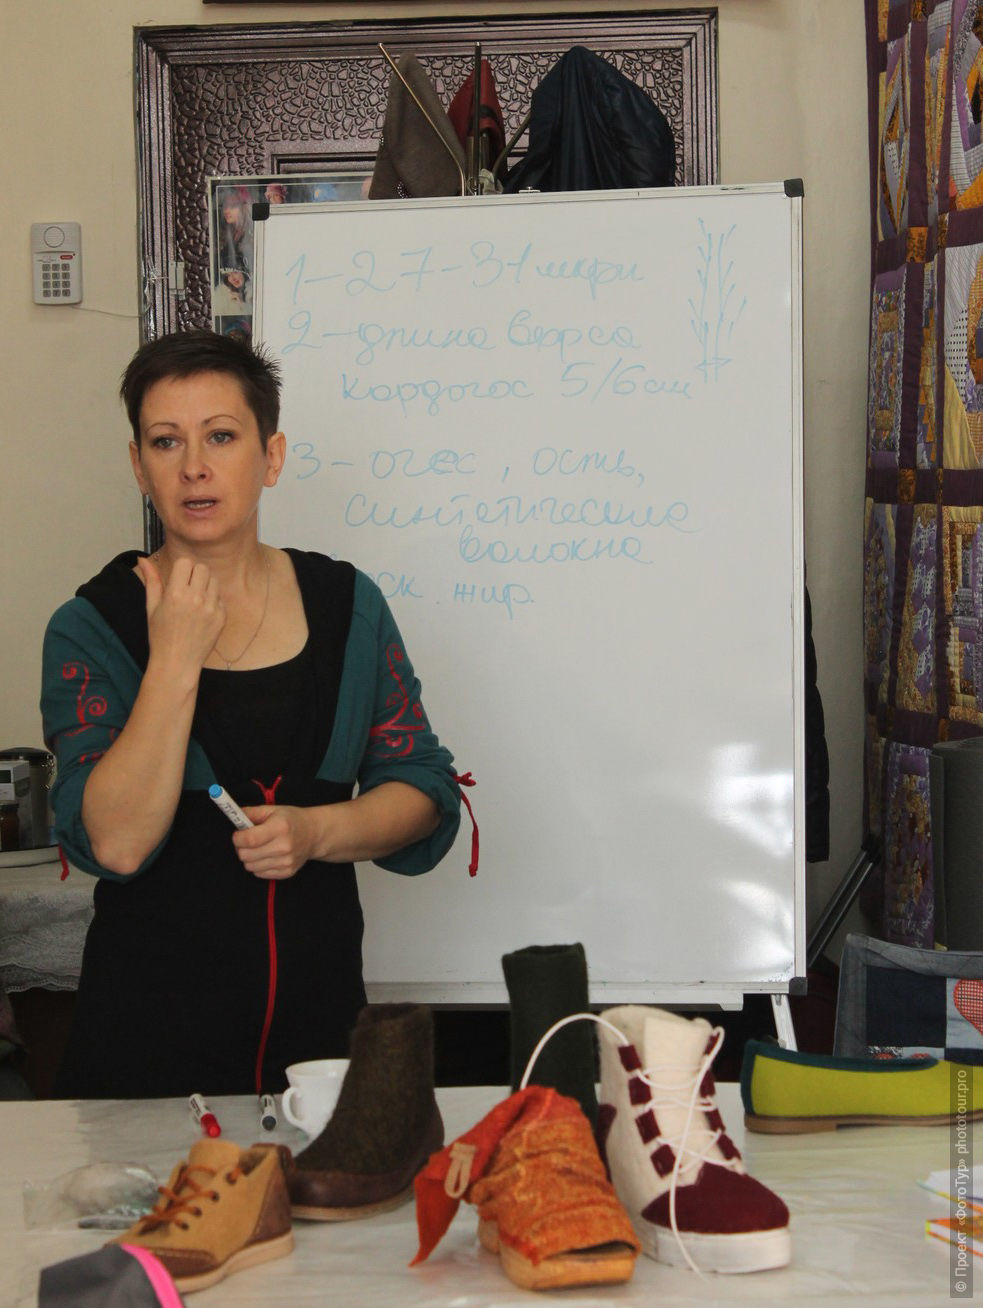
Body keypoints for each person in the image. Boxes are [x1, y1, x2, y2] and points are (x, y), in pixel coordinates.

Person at [40, 330, 463, 1099]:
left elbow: (422, 790)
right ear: (139, 465)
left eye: (221, 437)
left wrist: (317, 831)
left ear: (269, 456)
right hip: (143, 1054)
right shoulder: (90, 626)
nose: (194, 466)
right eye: (166, 441)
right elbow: (120, 843)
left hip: (322, 1049)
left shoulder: (348, 607)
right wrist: (173, 655)